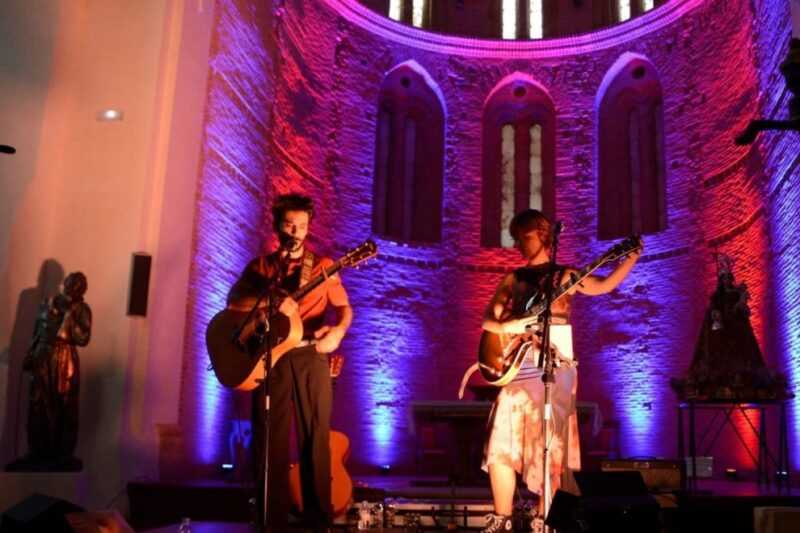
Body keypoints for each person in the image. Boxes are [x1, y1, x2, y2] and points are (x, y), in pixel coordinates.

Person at [480, 209, 641, 533]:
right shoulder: (514, 279)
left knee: (550, 443)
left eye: (525, 236)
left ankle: (544, 521)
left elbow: (601, 286)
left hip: (555, 364)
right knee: (500, 441)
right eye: (517, 239)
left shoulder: (565, 276)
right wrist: (512, 323)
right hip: (518, 365)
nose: (520, 244)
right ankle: (501, 520)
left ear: (543, 234)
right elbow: (488, 320)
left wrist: (629, 260)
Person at [227, 193, 352, 532]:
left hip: (310, 353)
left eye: (302, 226)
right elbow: (235, 299)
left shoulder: (323, 266)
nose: (296, 231)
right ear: (277, 227)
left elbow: (344, 309)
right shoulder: (261, 267)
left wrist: (337, 332)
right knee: (270, 439)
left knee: (315, 437)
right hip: (271, 358)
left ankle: (317, 521)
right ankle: (272, 521)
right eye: (289, 225)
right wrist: (270, 300)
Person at [22, 271, 91, 471]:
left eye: (78, 286)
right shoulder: (49, 302)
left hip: (65, 359)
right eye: (71, 283)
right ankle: (37, 450)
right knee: (38, 402)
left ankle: (62, 452)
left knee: (64, 404)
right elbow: (38, 330)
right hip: (43, 355)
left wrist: (69, 316)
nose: (73, 287)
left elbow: (83, 339)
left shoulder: (82, 309)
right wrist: (31, 352)